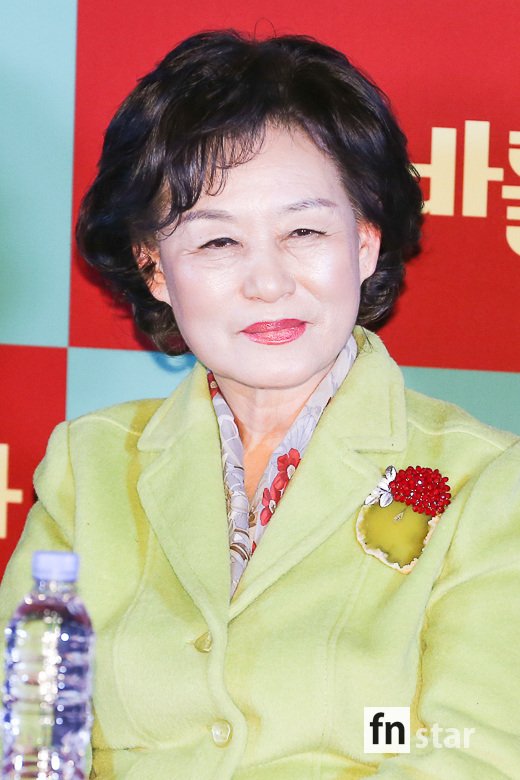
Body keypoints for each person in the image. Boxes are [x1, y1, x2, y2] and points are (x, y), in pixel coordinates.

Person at [1, 29, 519, 780]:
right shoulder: (89, 465)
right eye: (217, 243)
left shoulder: (487, 480)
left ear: (365, 242)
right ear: (154, 268)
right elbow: (27, 734)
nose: (268, 282)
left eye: (304, 230)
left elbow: (477, 754)